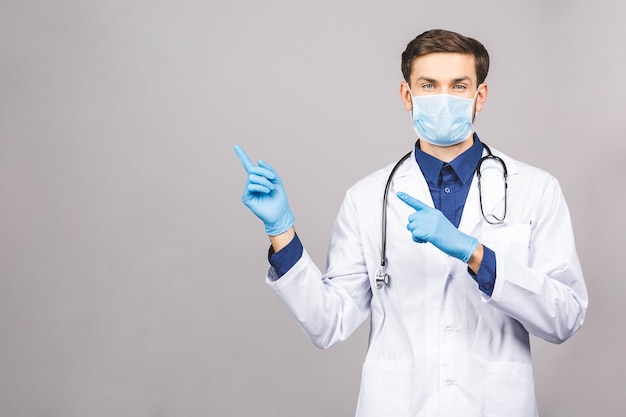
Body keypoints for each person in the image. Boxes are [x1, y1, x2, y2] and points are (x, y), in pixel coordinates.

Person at [234, 29, 588, 417]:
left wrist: (476, 255)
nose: (443, 98)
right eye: (428, 85)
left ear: (479, 97)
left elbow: (565, 317)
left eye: (458, 85)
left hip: (495, 404)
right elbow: (327, 323)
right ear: (407, 95)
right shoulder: (367, 198)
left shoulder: (535, 189)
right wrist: (281, 231)